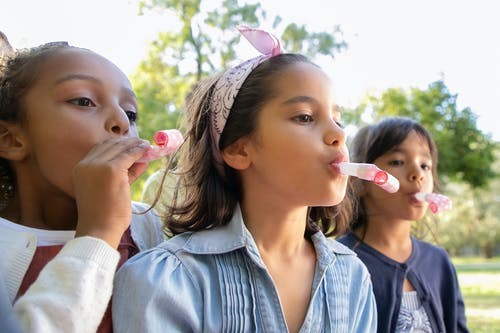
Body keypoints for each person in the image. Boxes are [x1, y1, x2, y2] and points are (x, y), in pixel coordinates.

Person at [113, 26, 377, 332]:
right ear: (238, 149)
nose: (340, 134)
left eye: (338, 119)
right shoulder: (168, 281)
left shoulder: (352, 275)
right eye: (304, 117)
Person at [0, 35, 164, 332]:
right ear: (11, 140)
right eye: (84, 101)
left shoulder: (147, 225)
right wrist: (99, 233)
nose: (121, 122)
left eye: (131, 113)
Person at [337, 117, 469, 332]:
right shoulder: (339, 262)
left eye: (425, 165)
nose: (418, 174)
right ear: (361, 181)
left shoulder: (439, 262)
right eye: (397, 161)